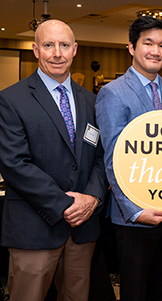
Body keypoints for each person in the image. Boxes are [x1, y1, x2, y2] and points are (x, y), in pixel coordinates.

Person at [0, 20, 109, 301]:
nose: (57, 53)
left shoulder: (92, 102)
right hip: (34, 229)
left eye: (64, 45)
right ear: (36, 50)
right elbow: (15, 165)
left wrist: (93, 199)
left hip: (82, 230)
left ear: (75, 50)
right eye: (49, 45)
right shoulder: (11, 100)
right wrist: (67, 205)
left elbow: (102, 156)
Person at [95, 16, 162, 301]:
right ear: (131, 47)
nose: (156, 51)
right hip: (134, 218)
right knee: (136, 291)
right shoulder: (112, 92)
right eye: (148, 43)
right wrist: (135, 211)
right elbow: (113, 158)